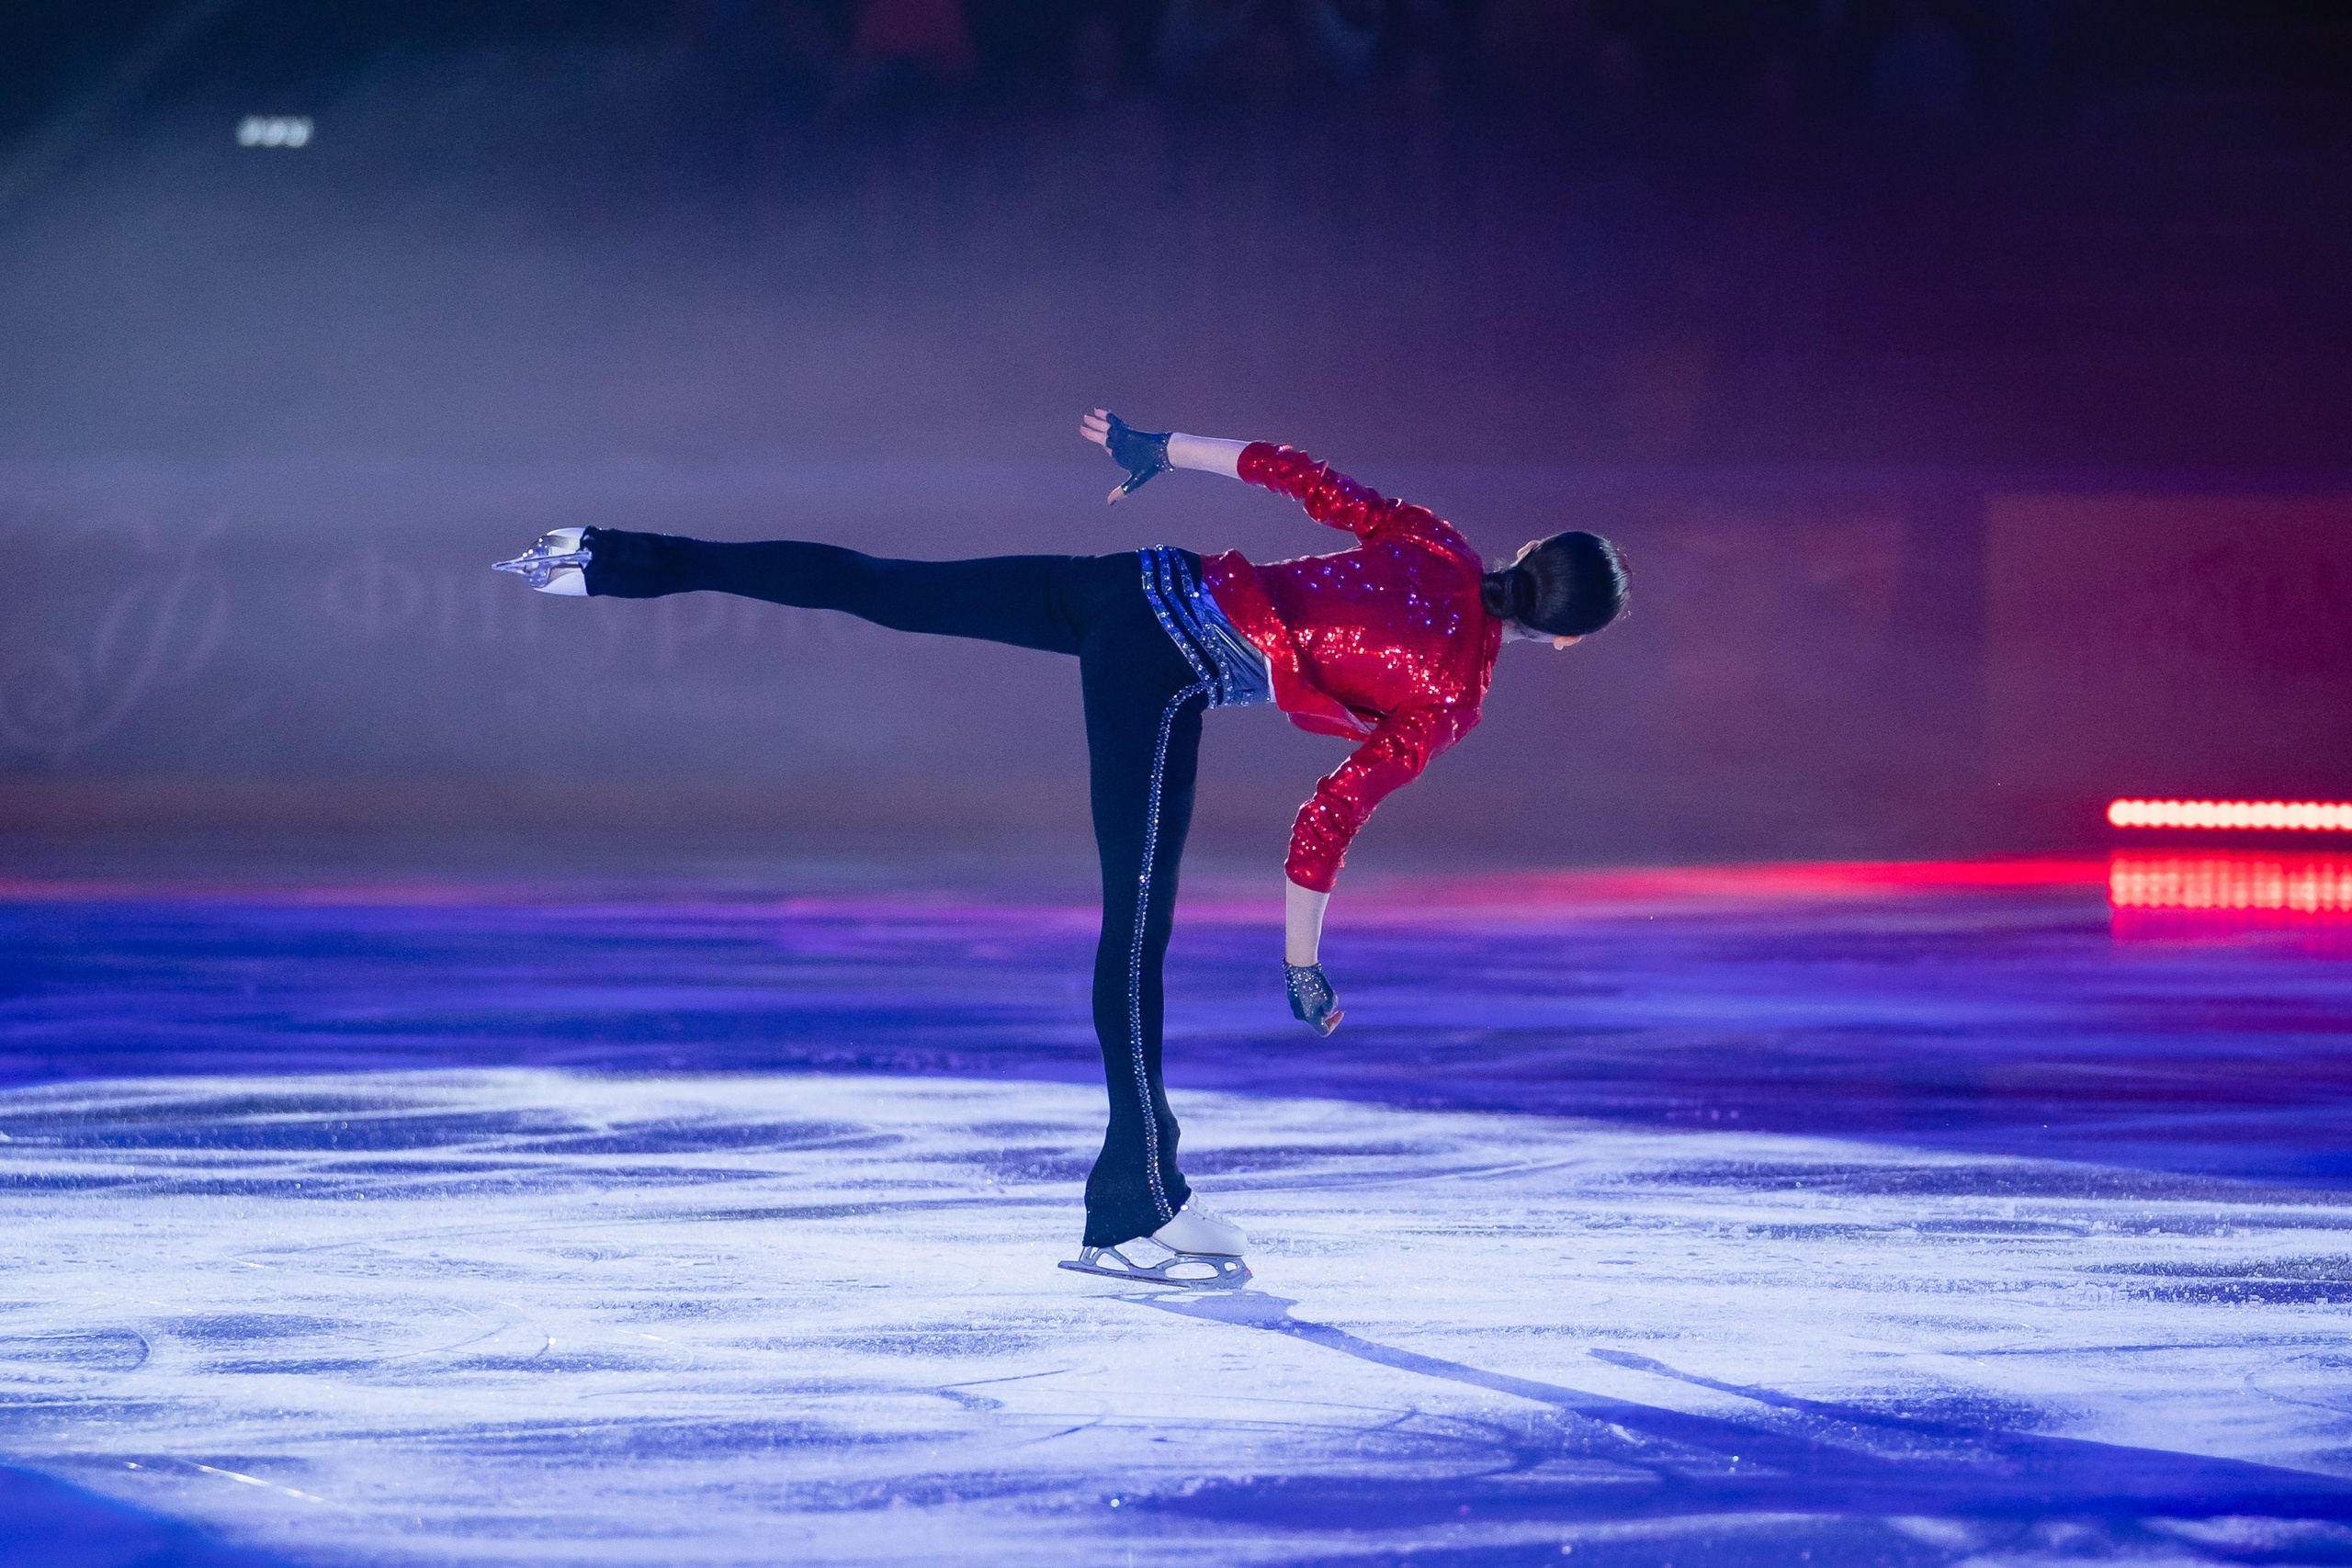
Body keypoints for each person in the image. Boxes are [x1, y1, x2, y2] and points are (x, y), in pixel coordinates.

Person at [492, 411, 1629, 1287]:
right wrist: (1298, 962)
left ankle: (606, 557)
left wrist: (1157, 444)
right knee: (1134, 939)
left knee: (878, 586)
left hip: (1133, 583)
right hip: (1162, 669)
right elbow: (1325, 819)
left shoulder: (1435, 540)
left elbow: (1297, 471)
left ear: (1528, 550)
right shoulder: (1455, 693)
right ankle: (1133, 1208)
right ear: (1567, 639)